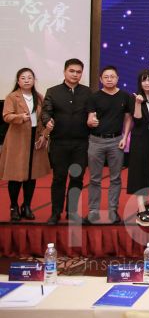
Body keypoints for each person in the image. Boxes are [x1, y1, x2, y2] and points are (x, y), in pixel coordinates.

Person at [41, 58, 91, 225]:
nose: (75, 74)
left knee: (77, 178)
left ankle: (72, 212)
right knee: (59, 178)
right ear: (64, 71)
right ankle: (55, 213)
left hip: (80, 143)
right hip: (59, 143)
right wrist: (47, 121)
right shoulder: (52, 91)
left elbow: (93, 112)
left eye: (78, 72)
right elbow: (45, 112)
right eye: (72, 71)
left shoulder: (88, 92)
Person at [1, 68, 50, 222]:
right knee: (15, 175)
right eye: (23, 78)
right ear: (18, 81)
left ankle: (27, 206)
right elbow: (6, 116)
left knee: (31, 174)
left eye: (30, 78)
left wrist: (44, 135)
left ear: (34, 80)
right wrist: (19, 117)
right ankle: (14, 206)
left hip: (35, 138)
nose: (27, 80)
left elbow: (44, 118)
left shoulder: (39, 97)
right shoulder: (12, 97)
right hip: (18, 139)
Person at [85, 65, 132, 225]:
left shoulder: (125, 96)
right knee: (94, 178)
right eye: (106, 77)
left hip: (116, 140)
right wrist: (91, 122)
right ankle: (93, 211)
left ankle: (113, 210)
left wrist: (125, 137)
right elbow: (90, 118)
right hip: (95, 141)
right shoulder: (94, 97)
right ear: (101, 79)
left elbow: (128, 118)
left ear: (117, 78)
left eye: (112, 76)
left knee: (116, 178)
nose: (109, 79)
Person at [128, 69, 149, 227]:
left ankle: (145, 204)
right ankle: (140, 210)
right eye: (144, 80)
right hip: (140, 137)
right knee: (140, 171)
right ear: (140, 82)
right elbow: (138, 120)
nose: (147, 83)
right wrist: (138, 104)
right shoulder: (135, 98)